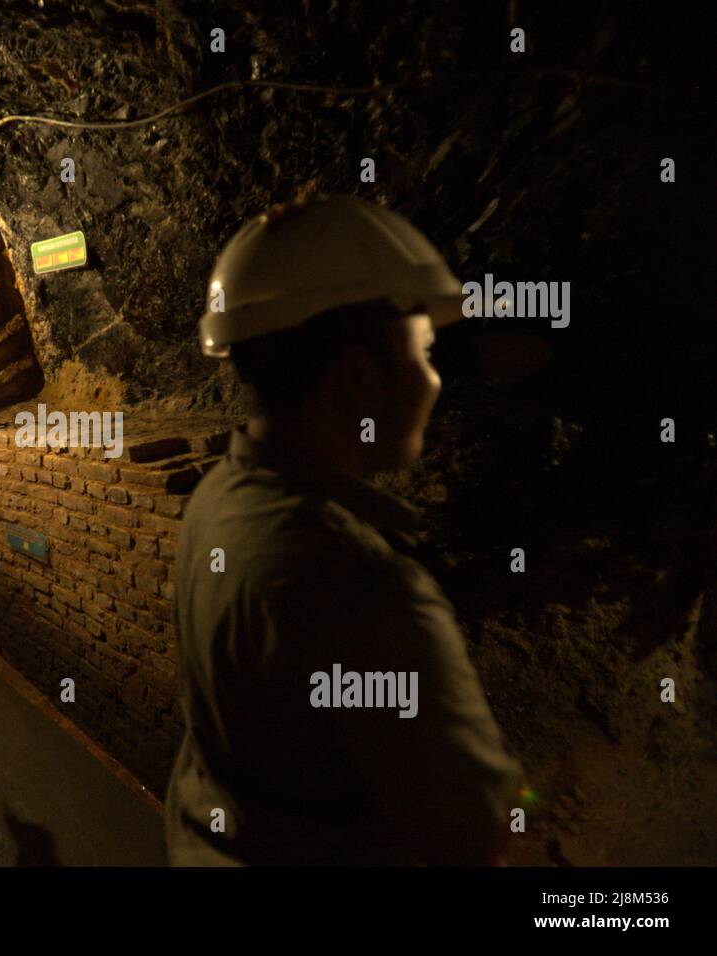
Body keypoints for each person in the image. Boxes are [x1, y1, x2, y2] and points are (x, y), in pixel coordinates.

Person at [167, 196, 525, 865]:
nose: (435, 381)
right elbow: (475, 831)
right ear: (359, 375)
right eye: (425, 354)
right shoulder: (362, 588)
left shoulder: (218, 498)